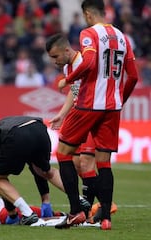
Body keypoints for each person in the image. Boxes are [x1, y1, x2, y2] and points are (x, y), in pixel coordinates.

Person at [53, 0, 138, 230]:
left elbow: (89, 61)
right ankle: (106, 218)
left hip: (90, 104)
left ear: (88, 14)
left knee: (63, 153)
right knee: (104, 163)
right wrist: (120, 100)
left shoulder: (88, 33)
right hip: (112, 108)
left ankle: (75, 212)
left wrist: (67, 80)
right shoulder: (122, 37)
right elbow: (134, 76)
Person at [0, 116, 67, 225]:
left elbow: (0, 183)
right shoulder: (0, 130)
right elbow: (36, 171)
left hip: (17, 135)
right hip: (39, 128)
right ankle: (79, 202)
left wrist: (12, 214)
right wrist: (46, 201)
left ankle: (28, 214)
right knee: (45, 171)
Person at [46, 33, 99, 211]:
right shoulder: (68, 68)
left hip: (92, 115)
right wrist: (62, 114)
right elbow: (74, 91)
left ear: (67, 50)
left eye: (55, 56)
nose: (54, 61)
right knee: (76, 164)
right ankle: (96, 204)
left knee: (85, 161)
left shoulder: (85, 62)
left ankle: (93, 208)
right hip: (79, 115)